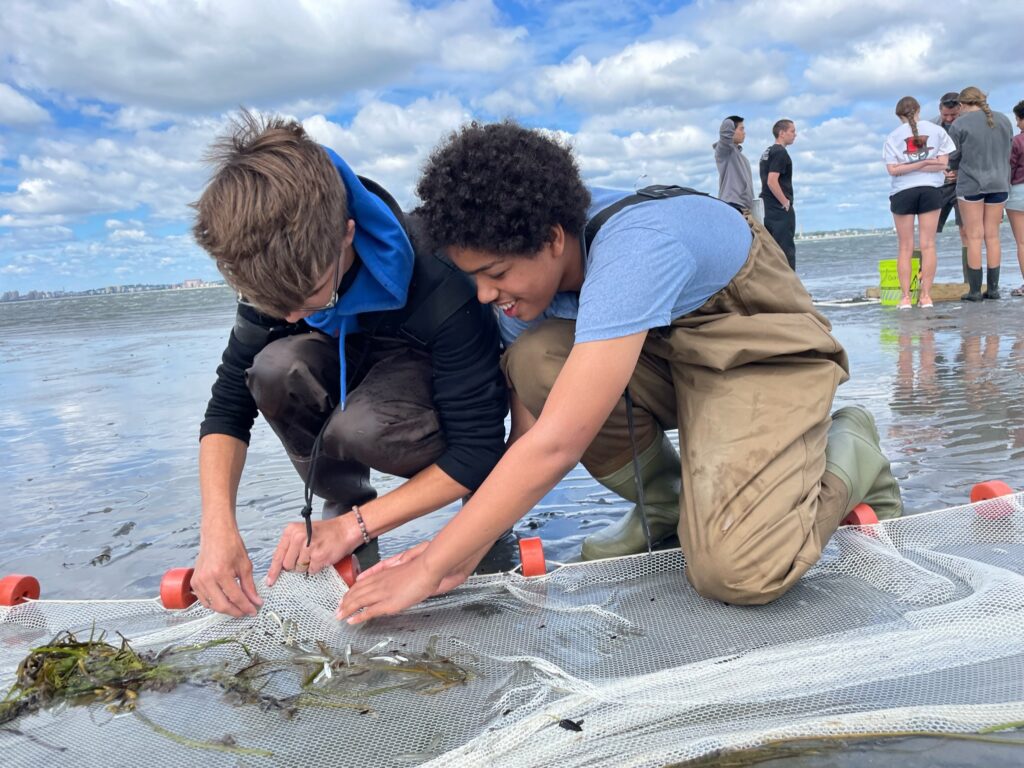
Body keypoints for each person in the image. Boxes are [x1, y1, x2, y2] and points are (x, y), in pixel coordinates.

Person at [339, 121, 903, 624]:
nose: (486, 295)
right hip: (664, 359)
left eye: (496, 274)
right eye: (475, 277)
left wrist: (433, 564)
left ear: (554, 239)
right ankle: (668, 505)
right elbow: (531, 436)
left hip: (757, 351)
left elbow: (559, 444)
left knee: (738, 572)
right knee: (536, 360)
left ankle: (848, 444)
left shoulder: (637, 246)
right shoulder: (519, 295)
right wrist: (454, 552)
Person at [189, 112, 508, 617]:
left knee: (366, 427)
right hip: (346, 363)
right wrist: (217, 531)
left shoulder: (443, 277)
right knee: (274, 368)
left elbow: (480, 446)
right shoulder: (273, 274)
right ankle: (346, 503)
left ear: (347, 235)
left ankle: (478, 515)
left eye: (309, 296)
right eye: (275, 305)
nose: (292, 314)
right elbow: (228, 406)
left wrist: (364, 533)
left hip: (421, 382)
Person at [882, 96, 955, 309]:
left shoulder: (893, 136)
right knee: (928, 245)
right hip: (930, 190)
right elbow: (942, 164)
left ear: (899, 116)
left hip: (902, 191)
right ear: (919, 110)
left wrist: (911, 165)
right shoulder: (937, 131)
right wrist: (925, 162)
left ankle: (905, 297)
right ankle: (925, 296)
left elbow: (893, 169)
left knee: (905, 247)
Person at [948, 87, 1014, 301]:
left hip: (972, 184)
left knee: (974, 236)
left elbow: (953, 156)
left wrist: (952, 169)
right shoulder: (1004, 120)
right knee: (992, 235)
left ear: (962, 104)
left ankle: (975, 291)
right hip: (1000, 182)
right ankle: (993, 289)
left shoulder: (959, 124)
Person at [759, 119, 798, 269]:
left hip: (767, 208)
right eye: (792, 131)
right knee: (785, 252)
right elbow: (771, 181)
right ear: (781, 133)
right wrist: (785, 202)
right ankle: (790, 290)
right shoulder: (780, 152)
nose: (795, 135)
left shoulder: (767, 152)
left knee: (772, 252)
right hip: (778, 209)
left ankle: (776, 289)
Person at [714, 115, 755, 214]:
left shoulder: (742, 157)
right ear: (732, 131)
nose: (744, 132)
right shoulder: (724, 151)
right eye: (741, 129)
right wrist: (731, 121)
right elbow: (725, 131)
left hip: (744, 207)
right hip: (731, 204)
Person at [1008, 100, 1024, 297]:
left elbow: (1009, 168)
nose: (1017, 124)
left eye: (1018, 120)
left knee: (1022, 243)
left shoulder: (1017, 141)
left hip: (1018, 191)